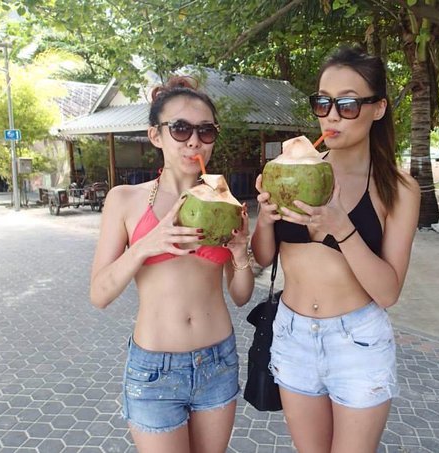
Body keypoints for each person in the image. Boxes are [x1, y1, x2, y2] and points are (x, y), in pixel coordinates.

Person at [251, 46, 421, 453]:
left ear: (378, 108)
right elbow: (263, 257)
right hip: (292, 334)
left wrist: (342, 228)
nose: (331, 116)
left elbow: (388, 292)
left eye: (347, 104)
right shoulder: (290, 171)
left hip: (357, 341)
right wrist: (265, 220)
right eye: (323, 103)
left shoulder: (398, 188)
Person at [89, 77, 254, 453]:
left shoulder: (226, 202)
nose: (194, 141)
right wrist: (146, 246)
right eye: (180, 129)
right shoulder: (125, 200)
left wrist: (240, 254)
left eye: (205, 131)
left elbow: (241, 296)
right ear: (156, 135)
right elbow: (99, 294)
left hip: (217, 361)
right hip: (155, 369)